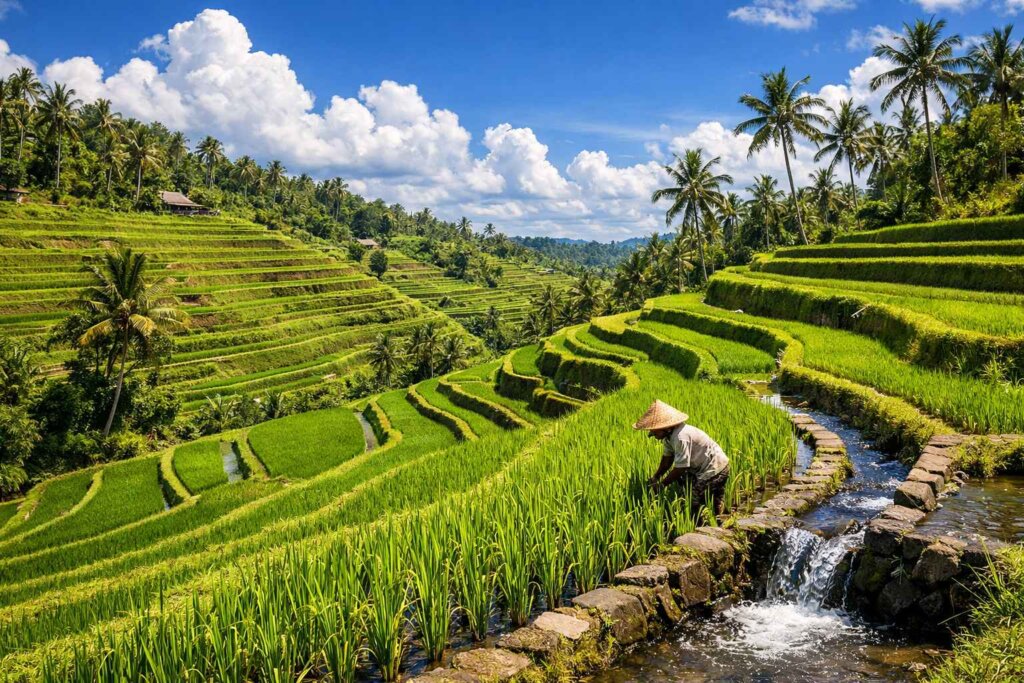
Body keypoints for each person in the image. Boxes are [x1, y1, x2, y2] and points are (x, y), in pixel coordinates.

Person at [633, 399, 731, 515]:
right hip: (701, 466)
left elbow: (681, 468)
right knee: (685, 485)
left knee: (692, 500)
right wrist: (656, 477)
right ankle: (718, 515)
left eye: (654, 430)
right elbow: (667, 460)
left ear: (665, 427)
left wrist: (661, 485)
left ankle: (701, 522)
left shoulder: (680, 437)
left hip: (715, 468)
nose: (652, 434)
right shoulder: (669, 436)